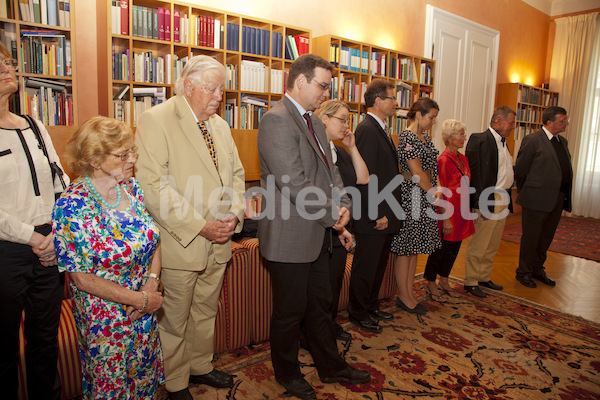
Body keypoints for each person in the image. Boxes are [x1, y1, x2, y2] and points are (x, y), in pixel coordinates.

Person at [257, 54, 371, 400]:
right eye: (322, 85)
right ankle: (288, 374)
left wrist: (345, 206)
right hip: (290, 237)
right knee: (290, 313)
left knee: (321, 306)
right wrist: (332, 216)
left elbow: (331, 173)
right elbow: (294, 182)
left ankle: (331, 366)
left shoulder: (315, 123)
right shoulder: (276, 120)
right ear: (301, 81)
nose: (326, 92)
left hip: (319, 231)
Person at [135, 55, 246, 400]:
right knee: (175, 319)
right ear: (187, 85)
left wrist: (235, 215)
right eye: (212, 89)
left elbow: (238, 177)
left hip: (220, 240)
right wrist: (201, 227)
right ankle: (176, 381)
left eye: (221, 90)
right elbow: (153, 187)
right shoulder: (156, 119)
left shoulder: (221, 126)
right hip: (181, 241)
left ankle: (200, 365)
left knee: (205, 310)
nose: (218, 97)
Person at [53, 116, 164, 398]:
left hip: (143, 310)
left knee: (143, 382)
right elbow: (80, 277)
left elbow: (154, 239)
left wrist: (151, 284)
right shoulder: (72, 205)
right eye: (122, 154)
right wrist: (140, 300)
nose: (132, 159)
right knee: (112, 388)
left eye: (132, 151)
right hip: (104, 320)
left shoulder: (132, 188)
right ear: (95, 159)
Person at [0, 42, 69, 400]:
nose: (7, 67)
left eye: (8, 61)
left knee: (45, 342)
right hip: (7, 252)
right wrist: (32, 238)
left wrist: (57, 233)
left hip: (50, 249)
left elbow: (61, 182)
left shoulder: (34, 125)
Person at [347, 79, 402, 333]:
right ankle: (358, 311)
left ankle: (370, 305)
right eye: (392, 98)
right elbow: (364, 177)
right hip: (374, 213)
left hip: (386, 210)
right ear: (378, 101)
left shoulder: (380, 127)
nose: (396, 103)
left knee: (378, 265)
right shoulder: (367, 129)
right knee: (366, 266)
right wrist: (375, 212)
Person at [314, 99, 369, 341]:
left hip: (342, 224)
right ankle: (317, 330)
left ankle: (330, 324)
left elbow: (363, 178)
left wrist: (353, 147)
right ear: (324, 118)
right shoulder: (315, 150)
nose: (347, 125)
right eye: (343, 119)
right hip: (324, 224)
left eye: (349, 120)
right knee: (321, 286)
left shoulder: (340, 151)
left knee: (335, 280)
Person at [391, 97, 441, 314]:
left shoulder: (424, 137)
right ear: (419, 115)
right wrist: (434, 194)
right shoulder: (408, 138)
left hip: (423, 197)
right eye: (431, 117)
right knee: (406, 249)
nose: (433, 122)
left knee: (415, 250)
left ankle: (409, 293)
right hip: (412, 197)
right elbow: (417, 173)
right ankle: (403, 296)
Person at [514, 106, 572, 288]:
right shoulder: (532, 140)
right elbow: (521, 170)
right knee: (531, 237)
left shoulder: (562, 141)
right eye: (562, 120)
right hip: (536, 198)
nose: (566, 123)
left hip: (557, 198)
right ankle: (523, 272)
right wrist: (529, 192)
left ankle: (537, 269)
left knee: (546, 236)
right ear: (549, 122)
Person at [463, 106, 516, 298]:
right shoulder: (480, 139)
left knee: (493, 243)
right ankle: (470, 281)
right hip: (488, 198)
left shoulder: (503, 142)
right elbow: (475, 174)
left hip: (502, 198)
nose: (513, 127)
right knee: (480, 242)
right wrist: (479, 203)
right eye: (511, 122)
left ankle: (483, 276)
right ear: (498, 121)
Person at [424, 119, 475, 301]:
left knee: (454, 250)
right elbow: (441, 190)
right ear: (450, 138)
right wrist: (445, 218)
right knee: (440, 250)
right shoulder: (443, 160)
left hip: (462, 212)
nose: (464, 138)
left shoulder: (464, 158)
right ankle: (430, 282)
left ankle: (444, 280)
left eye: (463, 134)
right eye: (461, 135)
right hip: (448, 214)